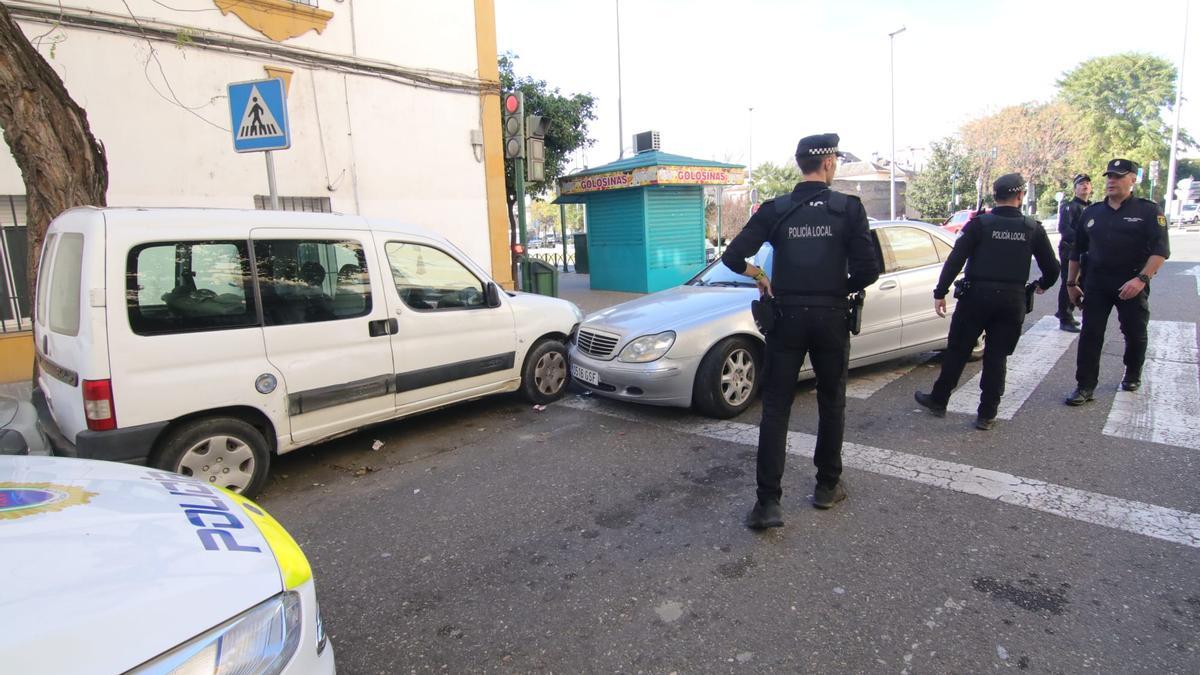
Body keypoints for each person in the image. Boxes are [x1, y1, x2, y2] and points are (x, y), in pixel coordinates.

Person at [720, 133, 880, 529]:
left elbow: (731, 256)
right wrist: (833, 289)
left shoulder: (777, 209)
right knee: (832, 402)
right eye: (836, 162)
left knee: (776, 408)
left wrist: (759, 275)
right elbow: (868, 271)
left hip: (786, 318)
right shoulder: (849, 209)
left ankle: (768, 504)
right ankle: (827, 486)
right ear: (827, 164)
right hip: (830, 318)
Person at [914, 173, 1059, 430]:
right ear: (1020, 195)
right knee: (996, 356)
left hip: (976, 297)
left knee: (958, 350)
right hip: (1012, 300)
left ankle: (939, 399)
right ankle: (987, 413)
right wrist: (1040, 286)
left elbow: (955, 259)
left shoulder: (980, 225)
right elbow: (1052, 269)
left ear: (995, 196)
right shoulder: (1032, 228)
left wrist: (940, 291)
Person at [1065, 159, 1170, 405]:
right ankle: (1085, 386)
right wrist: (1071, 284)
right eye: (1109, 176)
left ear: (1133, 179)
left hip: (1132, 283)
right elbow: (1076, 250)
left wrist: (1141, 279)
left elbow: (1161, 251)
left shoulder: (1148, 211)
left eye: (1118, 176)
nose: (1111, 181)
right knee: (1090, 335)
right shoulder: (1093, 212)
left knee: (1134, 332)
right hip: (1097, 284)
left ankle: (1132, 373)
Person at [1055, 174, 1092, 332]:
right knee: (1069, 282)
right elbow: (1064, 229)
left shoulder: (1091, 207)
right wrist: (1082, 240)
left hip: (1085, 251)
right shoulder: (1070, 206)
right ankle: (1065, 316)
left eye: (1087, 184)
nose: (1085, 186)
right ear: (1075, 188)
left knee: (1081, 281)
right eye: (1081, 184)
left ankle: (1066, 312)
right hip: (1070, 250)